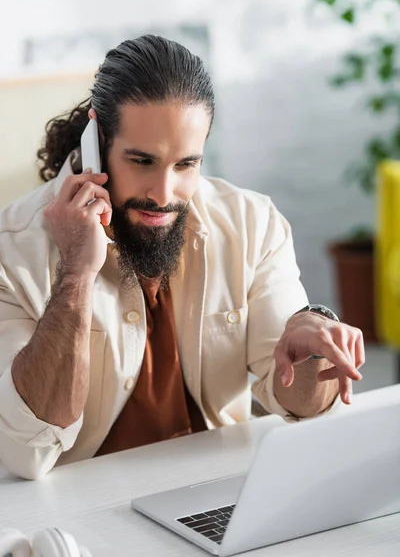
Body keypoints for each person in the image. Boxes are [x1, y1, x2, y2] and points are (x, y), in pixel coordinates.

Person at [0, 35, 364, 480]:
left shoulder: (253, 223)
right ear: (97, 141)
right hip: (77, 515)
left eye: (186, 164)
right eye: (142, 161)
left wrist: (311, 349)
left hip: (216, 494)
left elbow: (294, 404)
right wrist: (75, 274)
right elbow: (23, 452)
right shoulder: (11, 249)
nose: (164, 194)